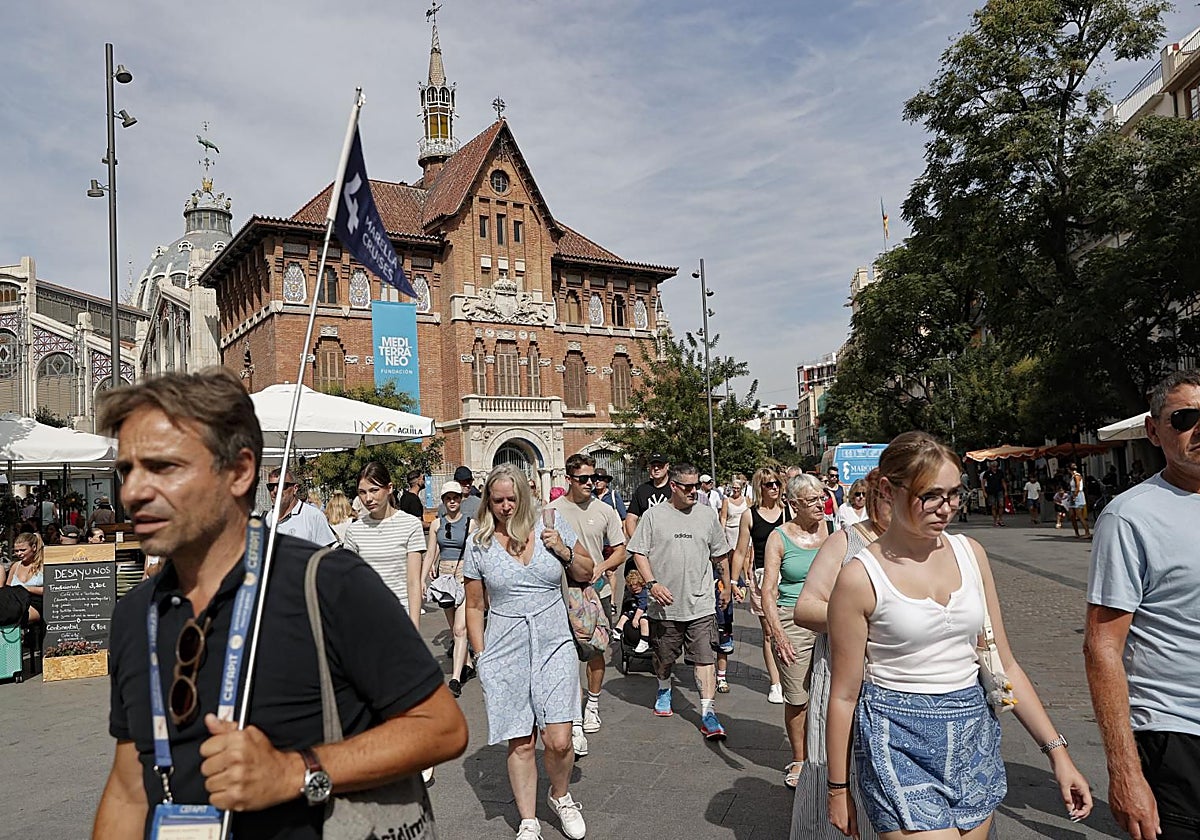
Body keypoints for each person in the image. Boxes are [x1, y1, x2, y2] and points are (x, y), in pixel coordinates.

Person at [92, 368, 467, 839]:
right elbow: (129, 789)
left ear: (240, 471)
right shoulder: (134, 616)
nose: (132, 492)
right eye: (126, 470)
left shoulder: (328, 584)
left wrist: (294, 772)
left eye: (163, 467)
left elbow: (442, 727)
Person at [826, 431, 1091, 838]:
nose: (946, 507)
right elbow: (844, 694)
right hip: (897, 738)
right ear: (887, 490)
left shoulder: (971, 553)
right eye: (930, 495)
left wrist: (1059, 754)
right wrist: (838, 789)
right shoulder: (860, 576)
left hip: (974, 735)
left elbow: (1004, 663)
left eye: (954, 493)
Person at [1085, 370, 1200, 840]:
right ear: (1155, 431)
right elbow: (1102, 648)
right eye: (1185, 418)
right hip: (1177, 736)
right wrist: (1125, 772)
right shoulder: (1130, 516)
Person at [463, 464, 593, 840]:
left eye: (511, 499)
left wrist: (563, 550)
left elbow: (586, 572)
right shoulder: (480, 542)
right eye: (497, 499)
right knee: (520, 740)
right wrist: (481, 655)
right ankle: (528, 820)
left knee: (560, 739)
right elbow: (474, 605)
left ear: (524, 496)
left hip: (554, 640)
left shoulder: (549, 523)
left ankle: (560, 795)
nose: (504, 506)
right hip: (505, 645)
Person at [790, 468, 890, 840]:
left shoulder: (930, 545)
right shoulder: (846, 541)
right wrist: (864, 616)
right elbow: (805, 608)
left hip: (901, 687)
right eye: (882, 494)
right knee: (843, 772)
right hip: (844, 675)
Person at [627, 463, 732, 740]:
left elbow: (720, 555)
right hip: (665, 605)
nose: (693, 491)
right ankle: (664, 687)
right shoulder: (653, 516)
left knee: (705, 657)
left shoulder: (707, 515)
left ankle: (708, 712)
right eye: (687, 487)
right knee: (664, 657)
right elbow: (638, 552)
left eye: (697, 486)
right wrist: (652, 584)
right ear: (673, 486)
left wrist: (726, 586)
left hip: (701, 602)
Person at [548, 453, 627, 756]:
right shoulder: (552, 510)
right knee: (567, 655)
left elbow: (621, 550)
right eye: (583, 479)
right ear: (568, 479)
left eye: (593, 479)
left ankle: (592, 703)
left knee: (597, 651)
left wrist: (602, 565)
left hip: (597, 592)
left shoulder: (605, 510)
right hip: (563, 594)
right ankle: (576, 719)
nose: (590, 484)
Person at [763, 473, 828, 789]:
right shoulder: (780, 537)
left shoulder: (832, 530)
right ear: (793, 505)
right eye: (813, 500)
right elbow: (768, 591)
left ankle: (829, 756)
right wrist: (778, 634)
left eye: (822, 497)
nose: (821, 504)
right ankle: (800, 759)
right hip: (793, 621)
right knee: (798, 697)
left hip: (830, 618)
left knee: (833, 692)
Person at [733, 466, 791, 704]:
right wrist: (733, 582)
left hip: (788, 577)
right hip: (761, 578)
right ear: (760, 487)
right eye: (769, 484)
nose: (775, 487)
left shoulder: (789, 512)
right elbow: (739, 551)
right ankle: (775, 682)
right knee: (769, 633)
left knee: (790, 628)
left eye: (777, 482)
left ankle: (792, 677)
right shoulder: (750, 515)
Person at [343, 462, 428, 622]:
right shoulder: (354, 530)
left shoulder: (410, 525)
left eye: (374, 490)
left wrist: (414, 624)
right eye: (362, 492)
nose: (368, 498)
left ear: (389, 488)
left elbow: (413, 582)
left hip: (400, 614)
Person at [420, 480, 476, 698]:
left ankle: (455, 678)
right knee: (454, 628)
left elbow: (477, 553)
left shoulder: (471, 524)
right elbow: (431, 552)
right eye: (448, 498)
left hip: (464, 577)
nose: (452, 501)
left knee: (460, 630)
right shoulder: (436, 524)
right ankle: (468, 665)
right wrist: (424, 579)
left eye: (455, 497)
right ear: (443, 501)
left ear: (460, 499)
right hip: (445, 580)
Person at [264, 468, 338, 547]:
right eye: (271, 487)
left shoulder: (313, 516)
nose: (275, 491)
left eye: (281, 485)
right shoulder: (267, 519)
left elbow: (330, 552)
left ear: (295, 488)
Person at [624, 453, 671, 539]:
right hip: (649, 541)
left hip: (671, 540)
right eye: (653, 466)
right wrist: (637, 543)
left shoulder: (675, 488)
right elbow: (631, 518)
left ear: (667, 466)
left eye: (660, 465)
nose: (656, 468)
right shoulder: (642, 490)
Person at [6, 532, 44, 624]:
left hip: (35, 604)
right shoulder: (15, 566)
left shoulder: (42, 566)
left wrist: (25, 588)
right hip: (15, 604)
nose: (19, 554)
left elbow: (51, 589)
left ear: (34, 548)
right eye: (16, 551)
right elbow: (7, 588)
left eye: (23, 550)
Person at [615, 569, 651, 653]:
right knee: (624, 616)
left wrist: (635, 619)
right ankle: (618, 630)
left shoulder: (644, 594)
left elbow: (642, 607)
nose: (634, 590)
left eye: (637, 588)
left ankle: (644, 641)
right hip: (634, 610)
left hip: (645, 612)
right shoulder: (632, 592)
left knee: (643, 621)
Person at [1067, 462, 1091, 539]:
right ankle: (1076, 532)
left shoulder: (1076, 476)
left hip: (1077, 494)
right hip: (1073, 494)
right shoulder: (1073, 476)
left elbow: (1077, 486)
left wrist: (1075, 495)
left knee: (1079, 515)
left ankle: (1087, 532)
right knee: (1072, 515)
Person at [983, 461, 1008, 527]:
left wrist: (1005, 491)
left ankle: (1000, 519)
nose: (995, 468)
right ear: (990, 467)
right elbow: (983, 483)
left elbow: (1003, 481)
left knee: (1001, 505)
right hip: (991, 491)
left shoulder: (1000, 472)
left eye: (996, 466)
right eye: (993, 467)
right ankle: (995, 520)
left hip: (999, 490)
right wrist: (984, 491)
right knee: (993, 506)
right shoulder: (987, 473)